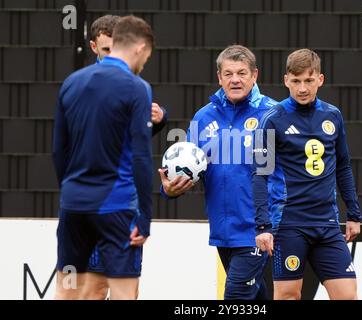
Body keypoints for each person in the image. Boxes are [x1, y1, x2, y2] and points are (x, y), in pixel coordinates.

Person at [159, 45, 284, 299]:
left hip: (258, 229)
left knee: (236, 296)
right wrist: (169, 189)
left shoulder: (273, 114)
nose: (235, 79)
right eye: (228, 74)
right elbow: (190, 168)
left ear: (254, 75)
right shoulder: (203, 117)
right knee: (255, 298)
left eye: (241, 73)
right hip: (223, 232)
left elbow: (289, 172)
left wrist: (273, 222)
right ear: (219, 77)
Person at [52, 15, 155, 300]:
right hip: (116, 206)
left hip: (73, 206)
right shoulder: (137, 88)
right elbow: (141, 158)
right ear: (139, 48)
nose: (144, 63)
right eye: (146, 56)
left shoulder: (72, 82)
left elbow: (59, 150)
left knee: (67, 288)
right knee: (124, 291)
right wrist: (144, 218)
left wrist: (70, 191)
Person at [253, 48, 362, 300]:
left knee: (347, 296)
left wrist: (354, 213)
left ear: (320, 80)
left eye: (309, 81)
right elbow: (260, 174)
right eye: (296, 81)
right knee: (289, 296)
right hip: (289, 224)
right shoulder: (271, 120)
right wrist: (262, 226)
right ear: (286, 81)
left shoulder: (333, 116)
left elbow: (343, 166)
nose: (302, 88)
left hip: (327, 224)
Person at [81, 14, 167, 300]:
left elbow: (130, 146)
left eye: (117, 48)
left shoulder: (136, 84)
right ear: (94, 47)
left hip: (124, 203)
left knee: (127, 290)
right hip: (94, 203)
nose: (114, 56)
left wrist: (158, 122)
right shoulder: (85, 86)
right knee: (94, 288)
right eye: (106, 50)